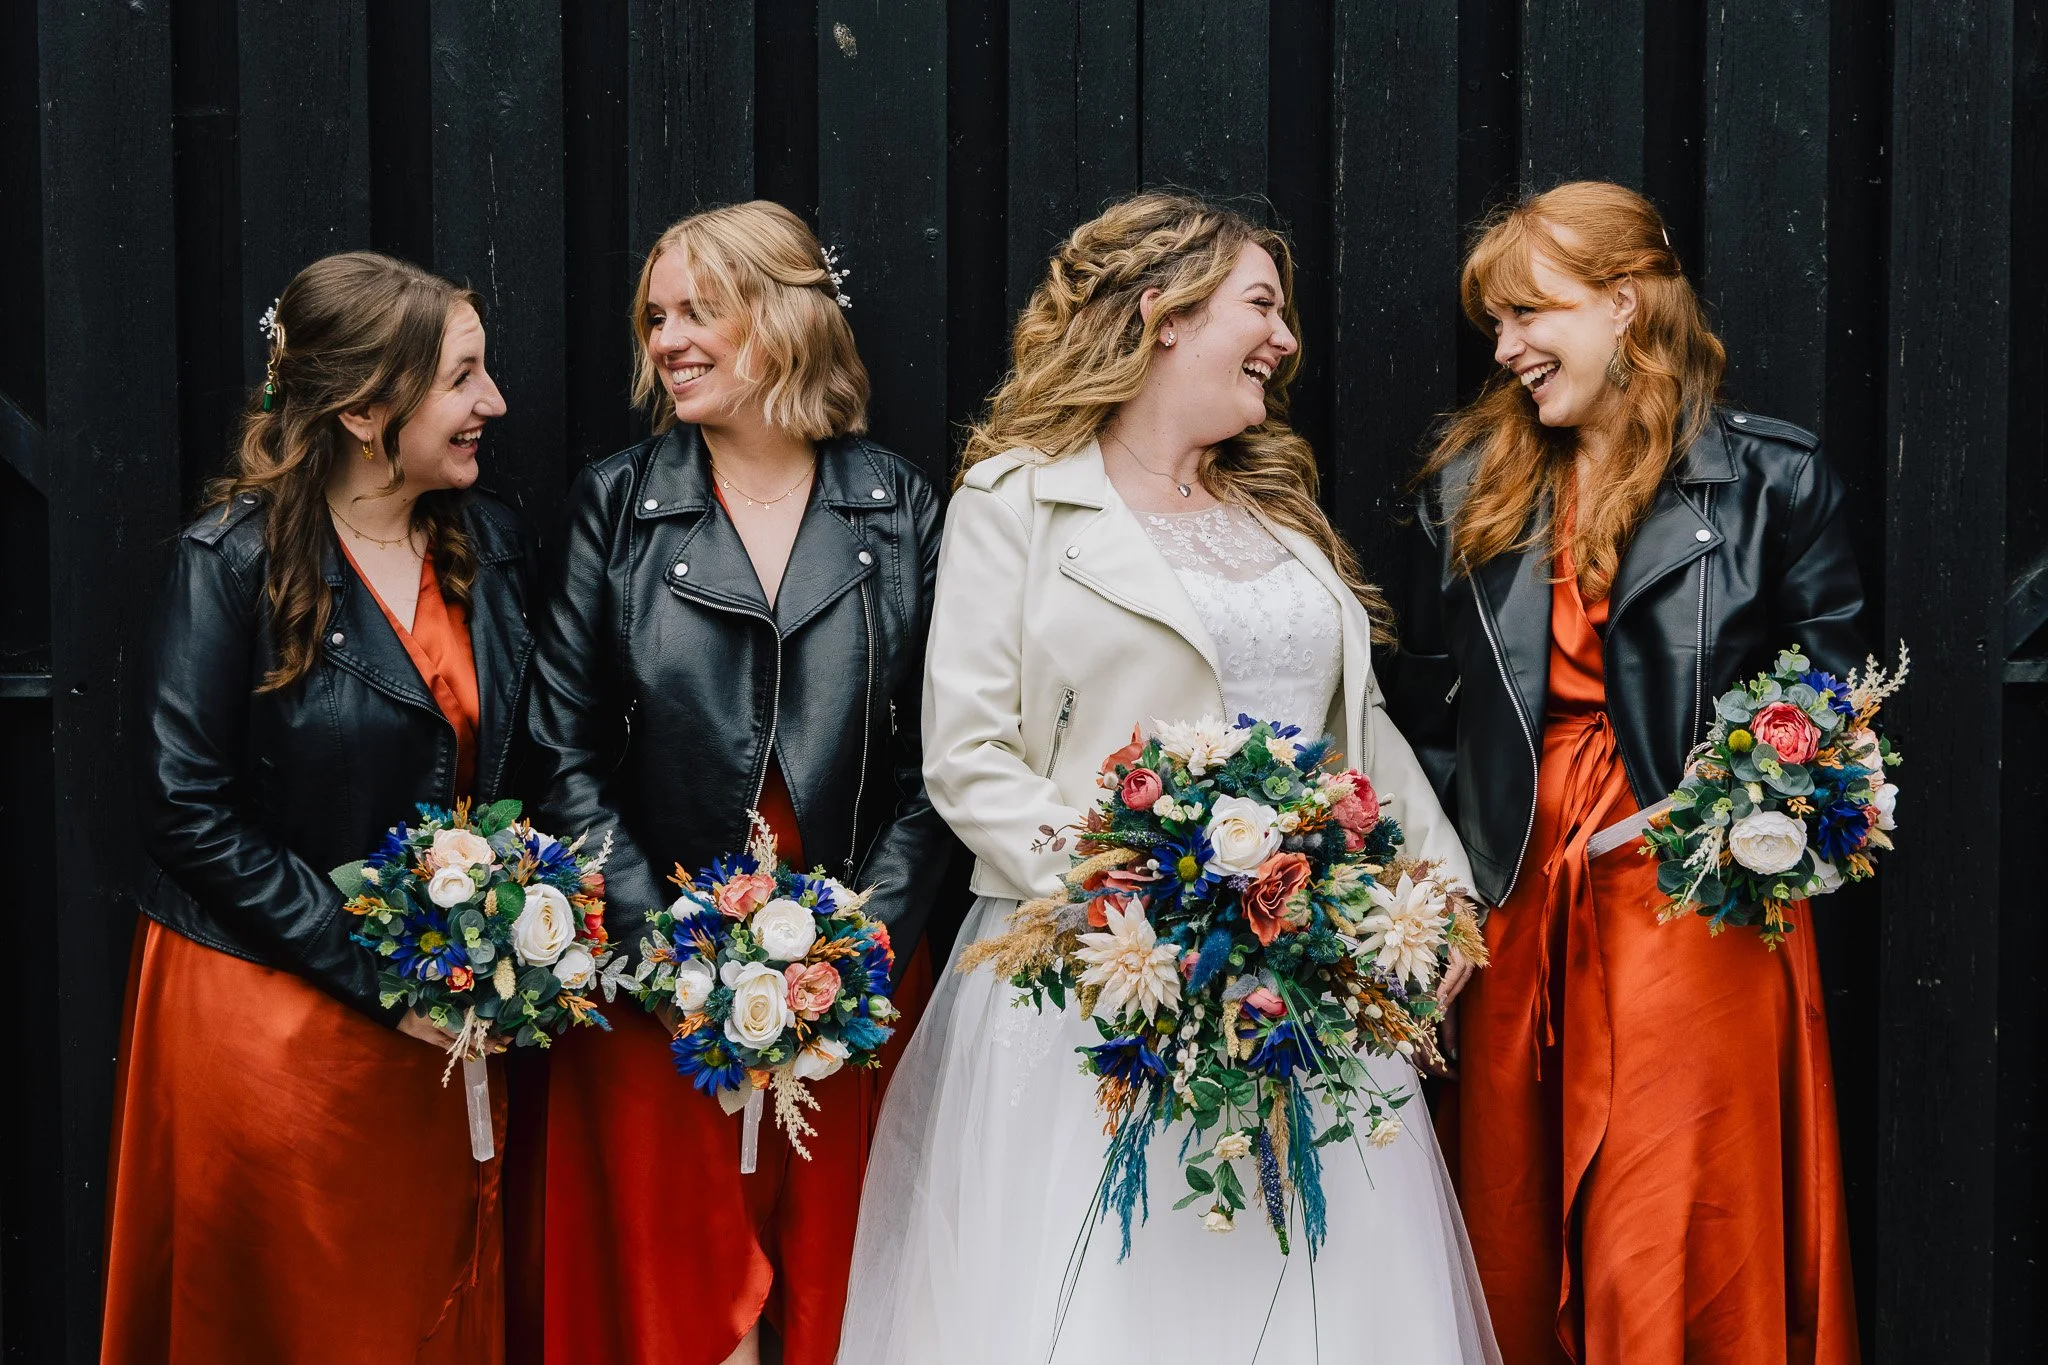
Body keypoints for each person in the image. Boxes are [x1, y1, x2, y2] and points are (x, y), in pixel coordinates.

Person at [840, 191, 1500, 1363]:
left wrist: (1434, 890)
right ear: (1161, 316)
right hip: (1102, 988)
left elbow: (1355, 739)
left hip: (1299, 980)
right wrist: (1136, 896)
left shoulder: (1274, 515)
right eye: (1261, 305)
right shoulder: (1018, 502)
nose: (1284, 338)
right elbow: (969, 755)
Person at [1388, 180, 1861, 1364]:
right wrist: (1433, 880)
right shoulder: (1472, 484)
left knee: (1671, 1203)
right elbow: (1435, 710)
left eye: (1526, 315)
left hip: (1687, 879)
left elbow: (1833, 701)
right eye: (1493, 324)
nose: (1503, 350)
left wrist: (1734, 817)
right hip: (1509, 872)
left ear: (1619, 305)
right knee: (1508, 1188)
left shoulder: (1772, 480)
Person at [525, 200, 951, 1365]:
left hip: (847, 977)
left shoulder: (897, 506)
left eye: (699, 310)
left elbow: (941, 754)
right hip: (651, 973)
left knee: (837, 1288)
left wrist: (861, 947)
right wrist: (659, 946)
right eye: (656, 316)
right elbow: (556, 746)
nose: (667, 340)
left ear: (786, 317)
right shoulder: (617, 505)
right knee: (679, 1303)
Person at [103, 251, 523, 1363]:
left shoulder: (487, 548)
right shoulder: (230, 562)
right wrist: (377, 965)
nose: (494, 405)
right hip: (272, 1015)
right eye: (463, 379)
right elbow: (183, 806)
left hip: (443, 1016)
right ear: (366, 410)